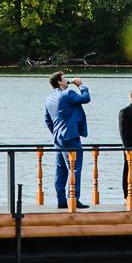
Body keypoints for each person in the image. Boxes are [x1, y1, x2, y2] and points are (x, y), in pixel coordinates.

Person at [43, 71, 91, 209]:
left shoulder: (49, 98)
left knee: (61, 169)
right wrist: (81, 85)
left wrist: (56, 132)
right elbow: (86, 98)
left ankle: (61, 200)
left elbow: (47, 120)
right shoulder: (68, 94)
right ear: (59, 82)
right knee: (75, 168)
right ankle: (73, 199)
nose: (66, 80)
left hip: (58, 138)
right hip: (70, 137)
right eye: (64, 78)